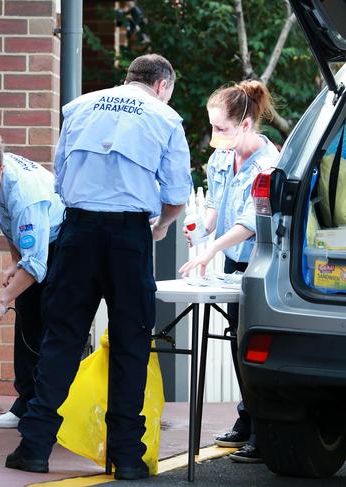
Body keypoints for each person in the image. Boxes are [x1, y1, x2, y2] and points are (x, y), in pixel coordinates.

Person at [4, 54, 192, 480]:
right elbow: (177, 193)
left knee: (62, 338)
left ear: (128, 77)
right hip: (128, 237)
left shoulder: (81, 106)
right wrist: (160, 227)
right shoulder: (165, 118)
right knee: (130, 343)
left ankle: (33, 446)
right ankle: (126, 455)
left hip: (78, 232)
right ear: (163, 85)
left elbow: (61, 175)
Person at [179, 80, 280, 463]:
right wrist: (197, 227)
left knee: (253, 346)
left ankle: (262, 430)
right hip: (234, 263)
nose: (213, 137)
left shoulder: (269, 163)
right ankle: (248, 418)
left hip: (264, 262)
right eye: (212, 127)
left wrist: (210, 251)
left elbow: (250, 222)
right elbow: (215, 214)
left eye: (221, 129)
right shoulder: (221, 160)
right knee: (238, 345)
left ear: (247, 124)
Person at [0, 136, 65, 429]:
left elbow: (36, 263)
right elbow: (9, 227)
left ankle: (45, 409)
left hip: (61, 244)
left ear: (1, 170)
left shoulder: (26, 195)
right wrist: (14, 261)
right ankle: (24, 404)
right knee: (27, 321)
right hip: (34, 250)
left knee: (47, 324)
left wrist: (0, 302)